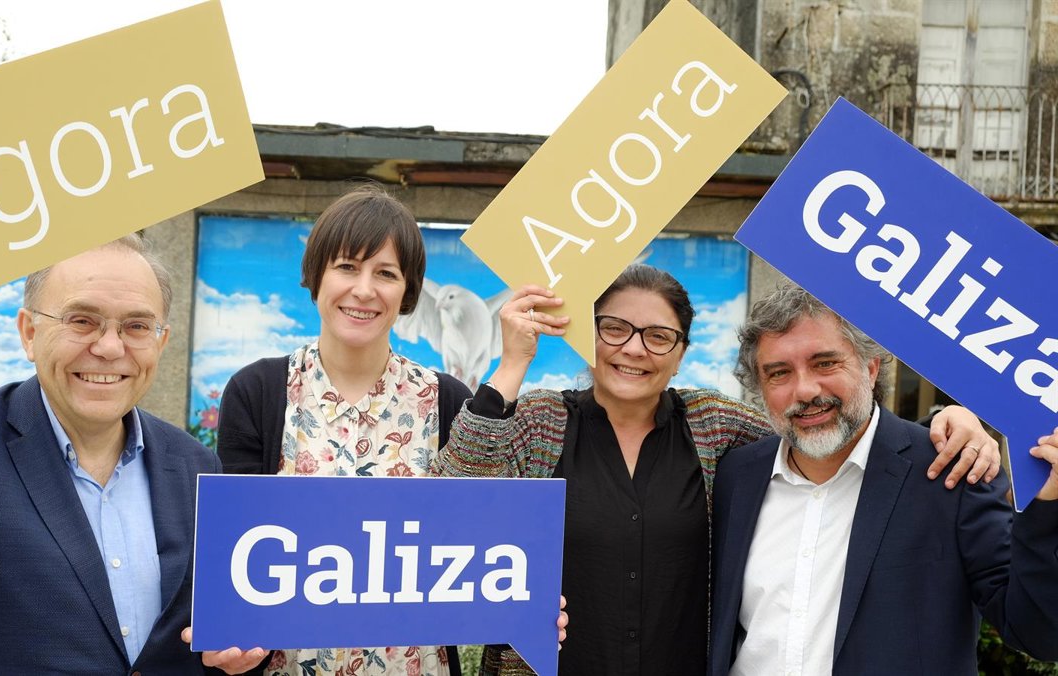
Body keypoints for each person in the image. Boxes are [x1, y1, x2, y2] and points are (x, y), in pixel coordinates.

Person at [435, 264, 1000, 676]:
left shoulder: (715, 424)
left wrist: (945, 424)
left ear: (680, 353)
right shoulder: (539, 420)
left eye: (659, 336)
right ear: (592, 337)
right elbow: (450, 499)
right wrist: (512, 363)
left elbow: (824, 431)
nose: (635, 349)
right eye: (615, 328)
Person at [0, 235, 263, 674]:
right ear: (29, 333)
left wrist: (230, 657)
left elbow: (206, 638)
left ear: (160, 343)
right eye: (82, 320)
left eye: (136, 326)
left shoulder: (194, 464)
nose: (110, 347)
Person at [710, 284, 1058, 675]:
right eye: (779, 373)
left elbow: (1039, 633)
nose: (805, 390)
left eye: (825, 363)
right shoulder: (734, 477)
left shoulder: (953, 469)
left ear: (871, 367)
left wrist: (1048, 505)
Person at [216, 185, 472, 676]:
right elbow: (233, 551)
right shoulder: (257, 391)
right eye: (347, 267)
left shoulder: (447, 399)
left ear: (408, 292)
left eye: (386, 273)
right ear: (316, 275)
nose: (364, 290)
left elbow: (473, 544)